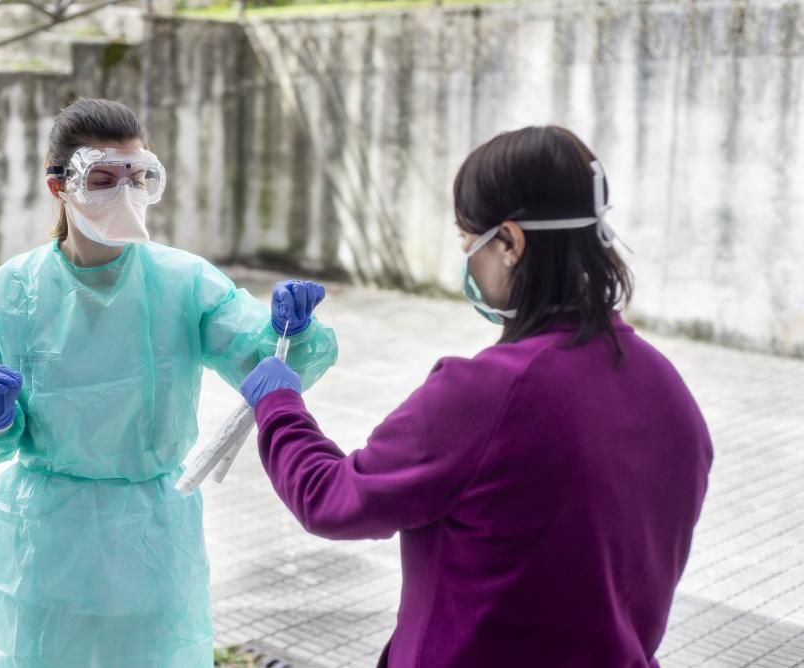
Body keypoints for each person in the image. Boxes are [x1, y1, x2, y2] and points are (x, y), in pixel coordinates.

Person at [238, 126, 713, 667]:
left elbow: (332, 499)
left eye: (469, 240)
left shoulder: (488, 394)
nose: (467, 258)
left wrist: (278, 404)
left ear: (509, 242)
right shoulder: (669, 392)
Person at [0, 97, 337, 668]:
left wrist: (291, 332)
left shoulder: (183, 282)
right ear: (60, 187)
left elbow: (267, 364)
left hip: (150, 540)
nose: (122, 194)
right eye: (102, 179)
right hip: (43, 544)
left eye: (137, 177)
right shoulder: (8, 293)